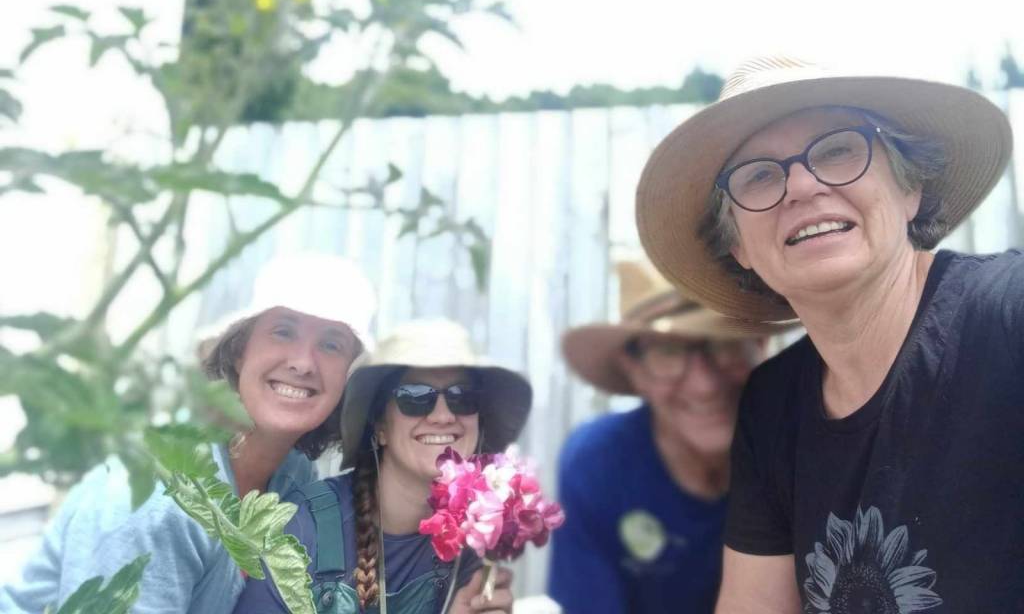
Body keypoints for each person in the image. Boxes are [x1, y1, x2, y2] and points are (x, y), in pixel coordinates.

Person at [635, 55, 1021, 612]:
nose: (800, 184)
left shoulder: (1008, 315)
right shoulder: (773, 405)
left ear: (910, 188)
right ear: (739, 246)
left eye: (838, 149)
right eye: (759, 175)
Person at [0, 253, 376, 614]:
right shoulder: (158, 494)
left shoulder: (293, 476)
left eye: (331, 344)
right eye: (283, 331)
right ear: (239, 350)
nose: (303, 363)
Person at [235, 319, 530, 614]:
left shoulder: (476, 534)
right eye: (415, 397)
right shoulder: (302, 528)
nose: (443, 416)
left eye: (462, 398)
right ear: (379, 426)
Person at [548, 260, 791, 614]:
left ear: (759, 344)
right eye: (668, 352)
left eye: (723, 344)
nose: (705, 385)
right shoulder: (597, 464)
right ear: (634, 370)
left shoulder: (801, 449)